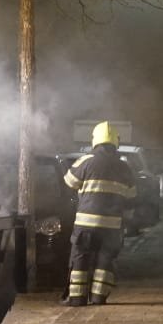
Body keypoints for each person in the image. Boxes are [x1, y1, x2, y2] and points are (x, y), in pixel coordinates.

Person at [62, 121, 137, 307]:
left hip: (86, 224)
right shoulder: (124, 167)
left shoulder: (86, 161)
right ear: (115, 142)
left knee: (80, 258)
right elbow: (131, 195)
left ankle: (77, 299)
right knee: (105, 261)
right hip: (112, 226)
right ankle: (98, 298)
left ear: (95, 140)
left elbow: (70, 182)